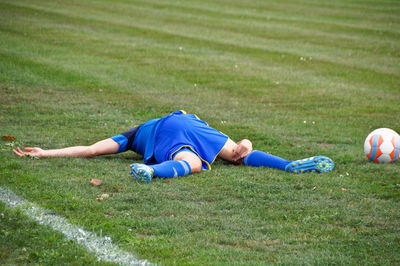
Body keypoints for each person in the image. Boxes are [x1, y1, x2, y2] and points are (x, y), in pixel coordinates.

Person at [13, 110, 334, 183]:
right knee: (240, 152)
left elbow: (93, 149)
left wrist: (47, 153)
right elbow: (93, 149)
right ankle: (287, 165)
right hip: (194, 124)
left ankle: (150, 170)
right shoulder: (141, 132)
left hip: (173, 132)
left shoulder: (135, 134)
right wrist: (243, 140)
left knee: (195, 163)